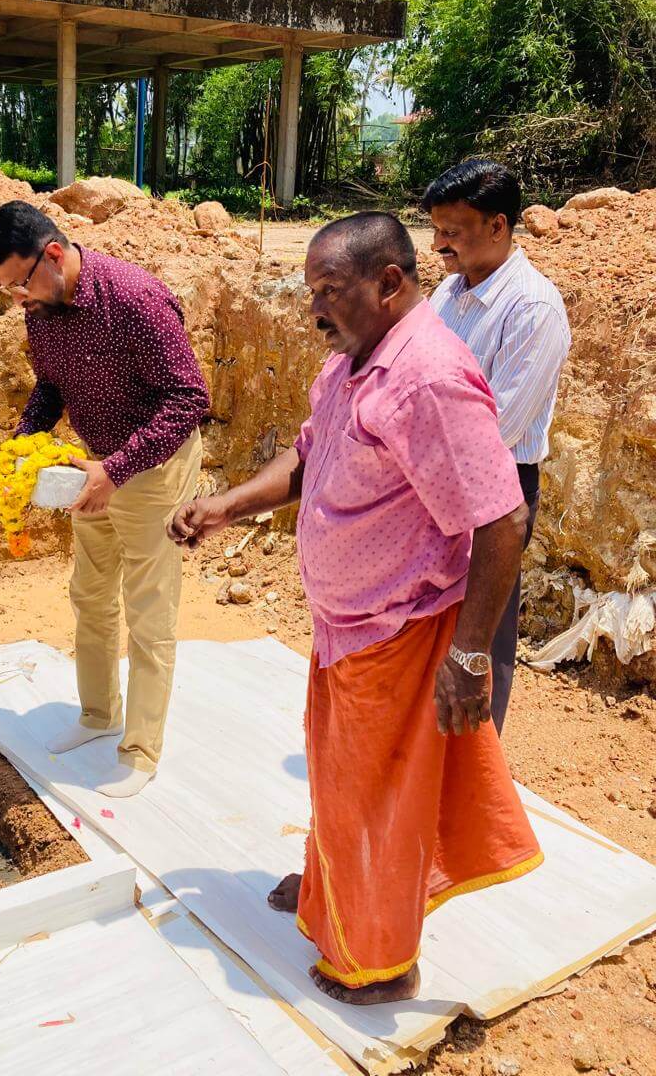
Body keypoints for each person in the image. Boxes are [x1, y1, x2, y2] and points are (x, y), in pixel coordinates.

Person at [169, 213, 542, 1006]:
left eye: (329, 292)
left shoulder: (429, 380)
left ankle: (379, 962)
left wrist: (471, 654)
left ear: (390, 282)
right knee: (345, 789)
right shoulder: (352, 363)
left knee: (379, 802)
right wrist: (227, 506)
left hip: (401, 631)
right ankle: (330, 896)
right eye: (312, 293)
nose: (316, 311)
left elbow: (502, 518)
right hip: (350, 627)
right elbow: (311, 454)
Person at [0, 201, 209, 798]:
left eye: (18, 284)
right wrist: (28, 441)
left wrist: (119, 468)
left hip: (151, 469)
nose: (17, 301)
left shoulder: (135, 300)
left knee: (148, 610)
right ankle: (99, 714)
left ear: (52, 254)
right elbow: (52, 384)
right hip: (92, 468)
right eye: (7, 292)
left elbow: (188, 400)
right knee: (90, 594)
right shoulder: (42, 306)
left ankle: (140, 750)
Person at [424, 159, 570, 732]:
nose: (438, 245)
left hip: (495, 498)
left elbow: (495, 432)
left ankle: (472, 783)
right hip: (432, 483)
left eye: (451, 232)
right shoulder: (448, 294)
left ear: (498, 226)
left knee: (480, 643)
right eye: (436, 231)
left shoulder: (532, 309)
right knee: (434, 629)